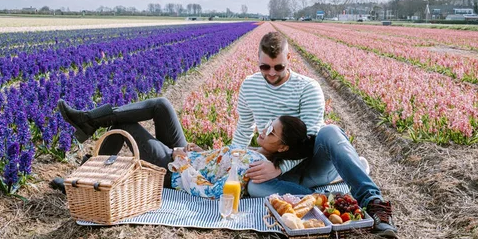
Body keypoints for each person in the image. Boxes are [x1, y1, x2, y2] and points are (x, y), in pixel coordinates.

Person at [232, 31, 398, 238]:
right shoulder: (249, 86)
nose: (272, 73)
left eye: (279, 67)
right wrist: (231, 163)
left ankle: (373, 203)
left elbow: (309, 140)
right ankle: (326, 197)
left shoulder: (308, 87)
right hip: (279, 163)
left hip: (312, 162)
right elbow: (244, 128)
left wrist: (278, 167)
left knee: (330, 131)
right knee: (256, 187)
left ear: (289, 60)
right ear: (257, 60)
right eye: (265, 67)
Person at [53, 97, 315, 197]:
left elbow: (214, 191)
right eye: (269, 123)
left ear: (282, 148)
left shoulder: (257, 166)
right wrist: (199, 152)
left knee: (126, 129)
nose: (265, 128)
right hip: (187, 156)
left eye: (272, 131)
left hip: (175, 173)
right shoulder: (255, 150)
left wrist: (184, 162)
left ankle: (82, 184)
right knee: (162, 105)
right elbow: (217, 163)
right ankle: (88, 120)